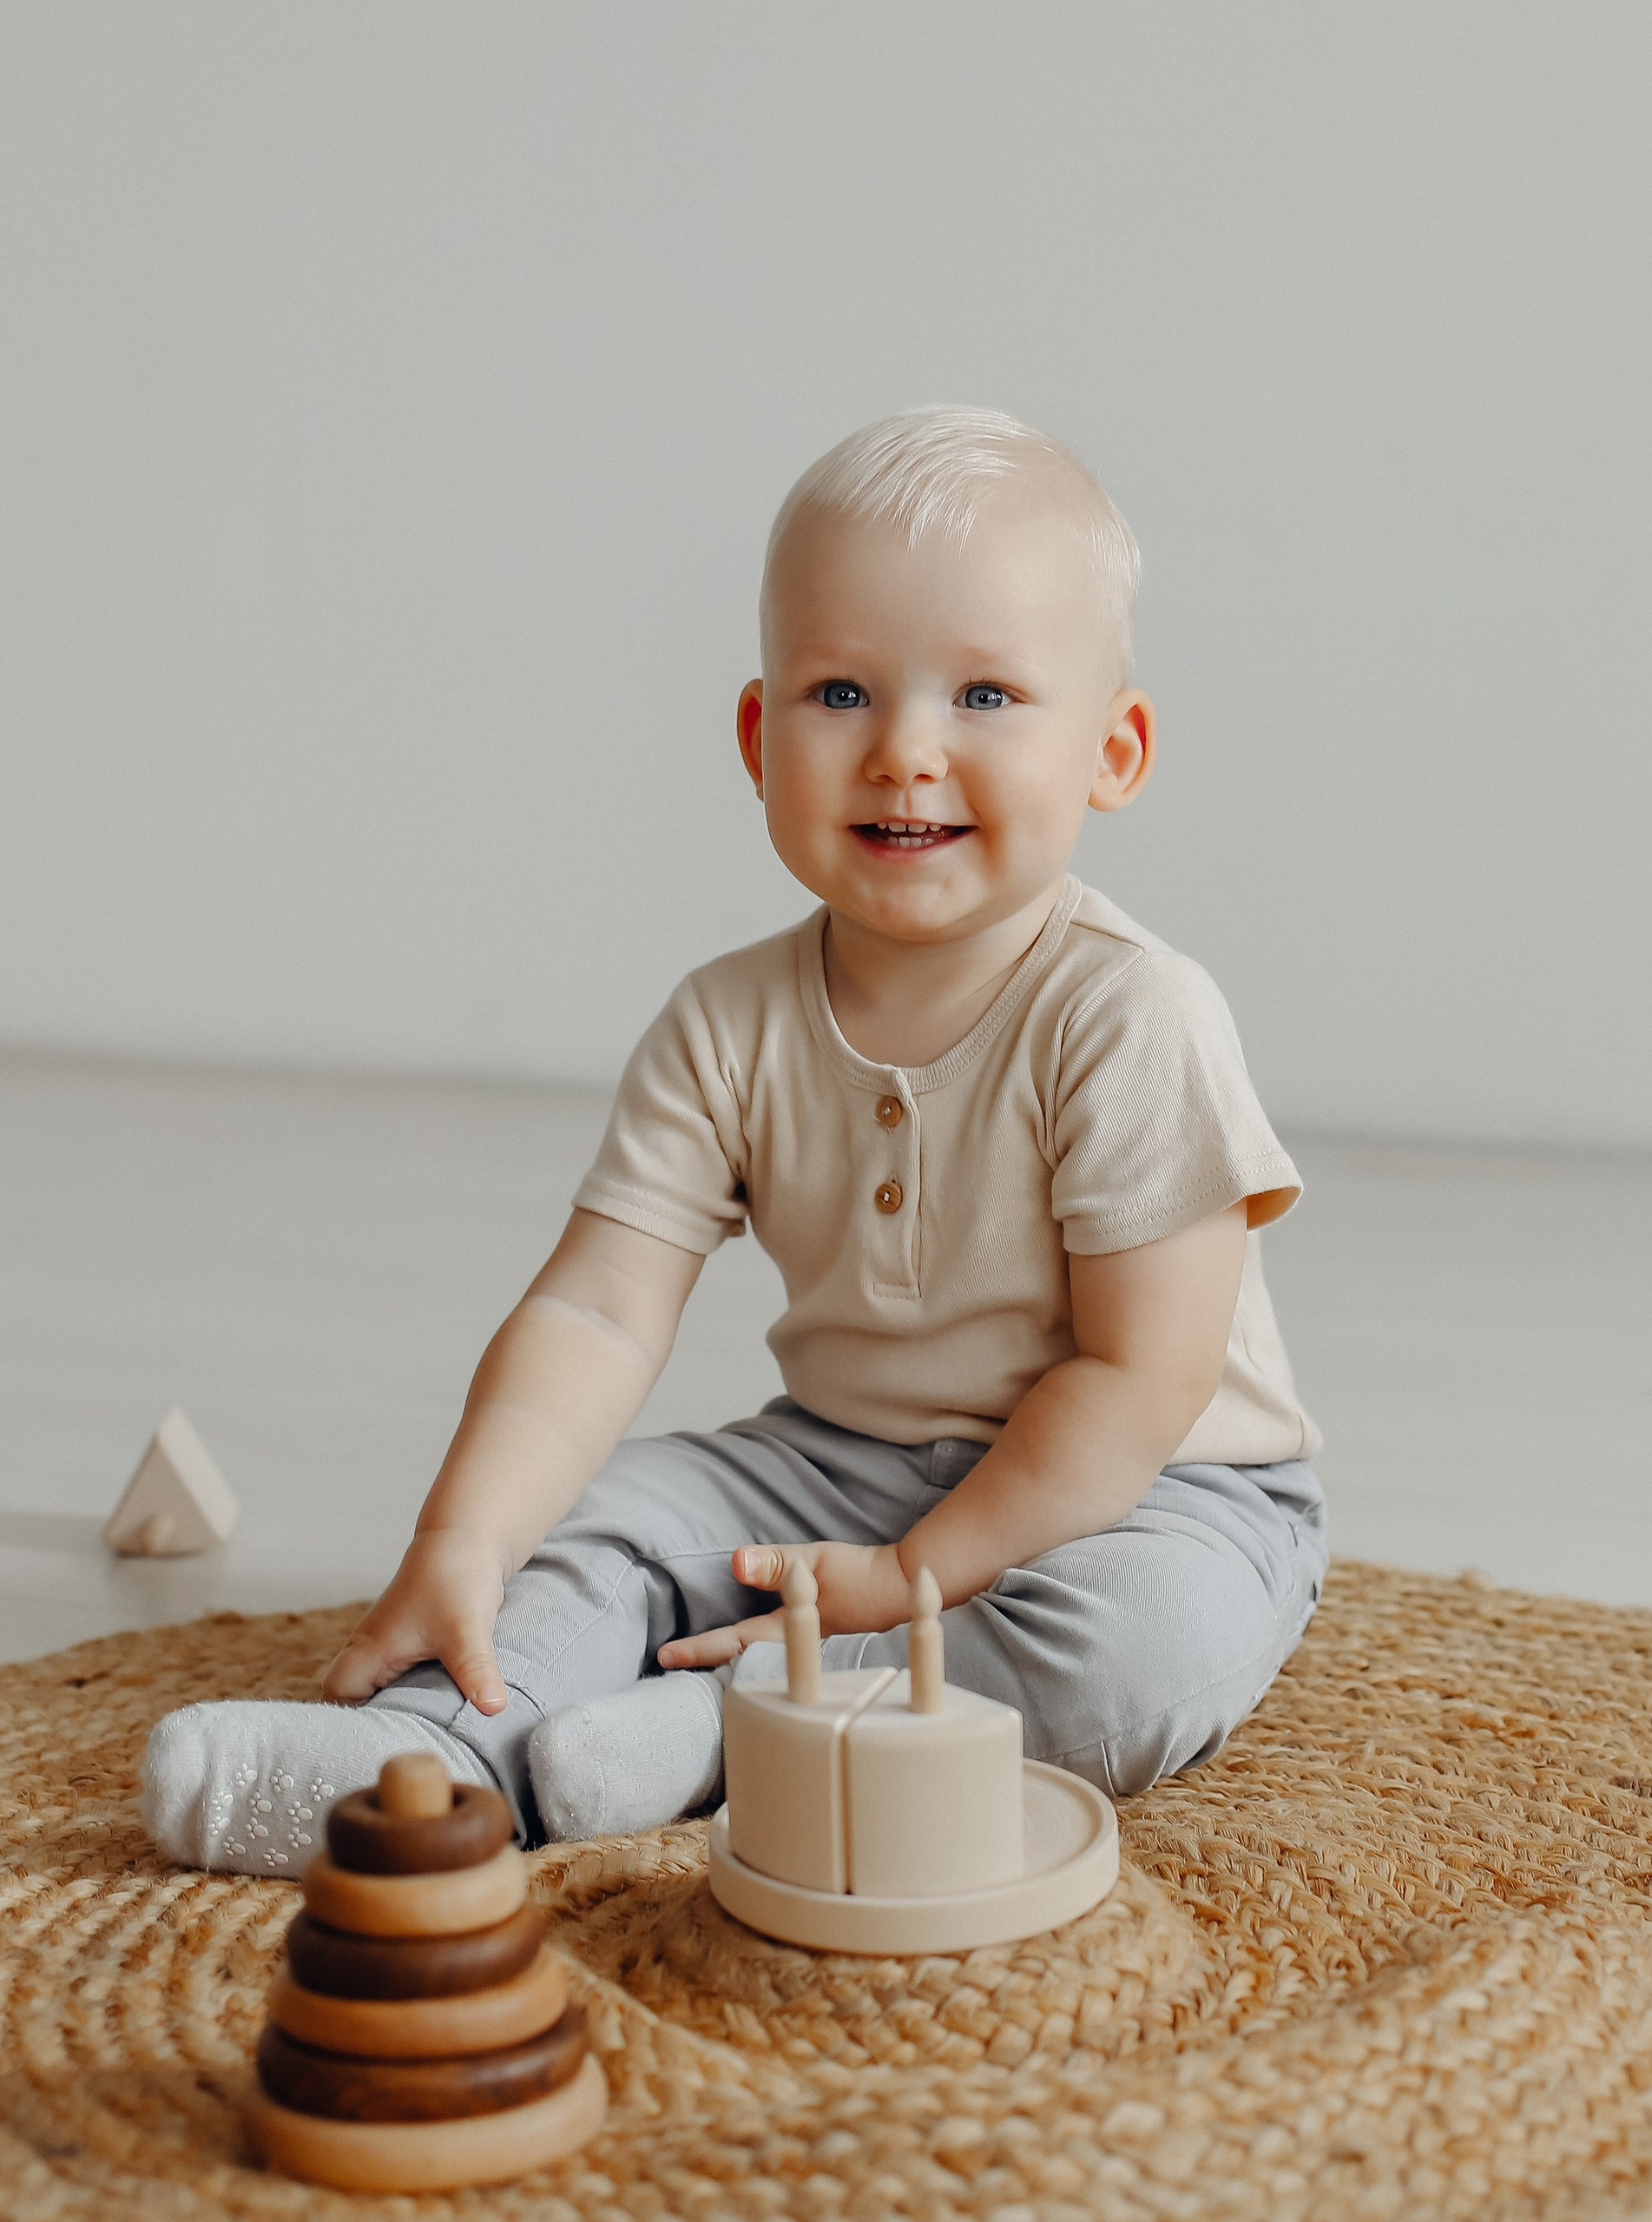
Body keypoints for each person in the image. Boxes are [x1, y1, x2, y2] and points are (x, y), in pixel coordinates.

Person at [141, 406, 1325, 1873]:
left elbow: (1142, 1377)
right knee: (622, 1525)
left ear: (1115, 750)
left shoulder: (1134, 1015)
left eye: (987, 697)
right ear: (761, 739)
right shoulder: (727, 1022)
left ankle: (739, 1731)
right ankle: (447, 1757)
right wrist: (472, 1531)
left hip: (1146, 1492)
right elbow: (595, 1305)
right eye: (843, 691)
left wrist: (916, 1577)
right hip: (841, 1460)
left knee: (1147, 1651)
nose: (904, 753)